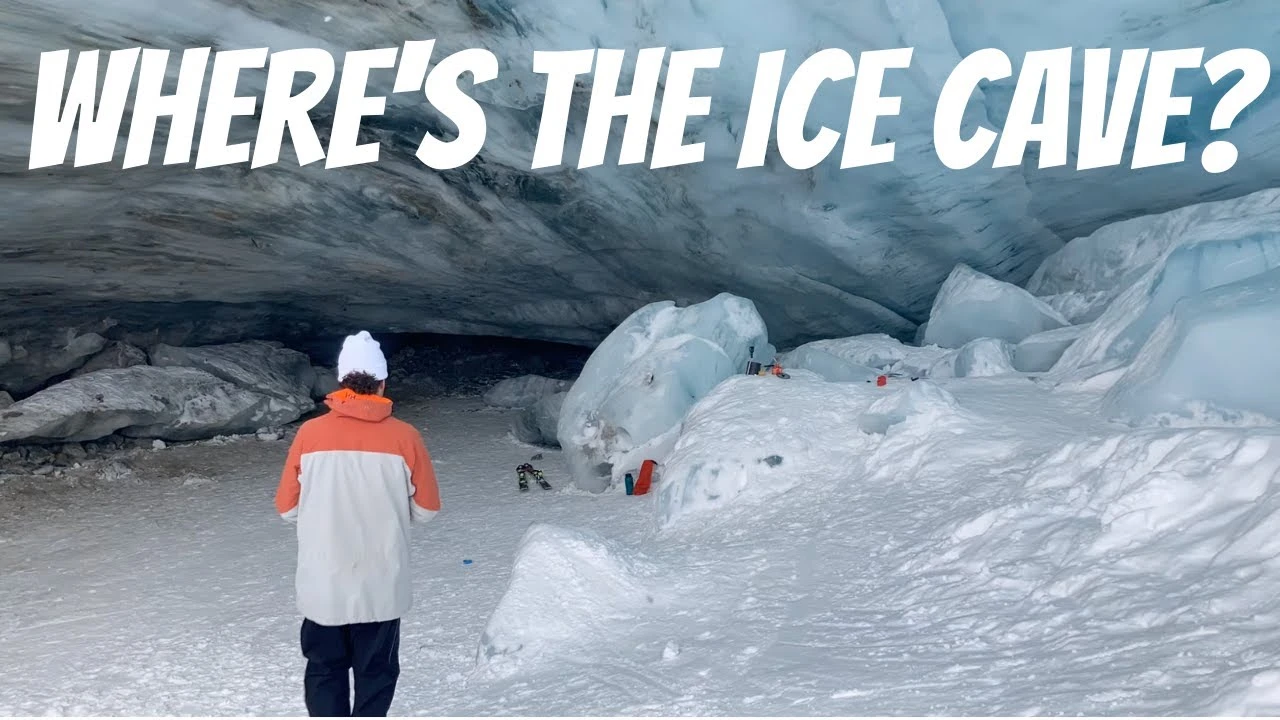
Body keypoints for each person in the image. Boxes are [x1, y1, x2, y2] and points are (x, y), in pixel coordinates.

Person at [275, 330, 441, 717]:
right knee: (376, 670)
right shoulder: (406, 437)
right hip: (381, 581)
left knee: (324, 668)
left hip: (324, 581)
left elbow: (286, 507)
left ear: (340, 381)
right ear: (382, 383)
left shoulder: (310, 434)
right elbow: (428, 508)